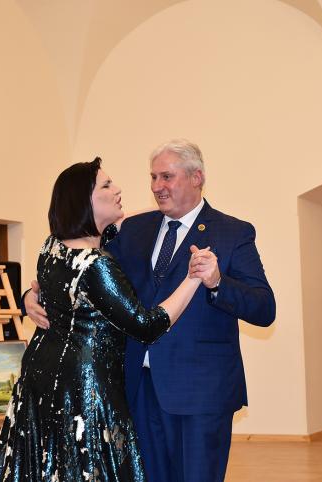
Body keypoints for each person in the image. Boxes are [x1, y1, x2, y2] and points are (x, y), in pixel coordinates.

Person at [25, 140, 276, 482]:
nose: (157, 186)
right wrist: (31, 294)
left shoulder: (233, 233)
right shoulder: (133, 228)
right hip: (138, 390)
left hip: (200, 395)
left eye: (167, 177)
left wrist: (218, 282)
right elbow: (82, 267)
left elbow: (264, 307)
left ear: (197, 177)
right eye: (153, 177)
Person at [0, 157, 209, 481]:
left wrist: (28, 297)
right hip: (83, 387)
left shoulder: (52, 246)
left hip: (41, 375)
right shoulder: (96, 265)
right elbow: (147, 326)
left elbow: (55, 289)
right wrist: (192, 278)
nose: (118, 189)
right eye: (106, 185)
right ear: (84, 202)